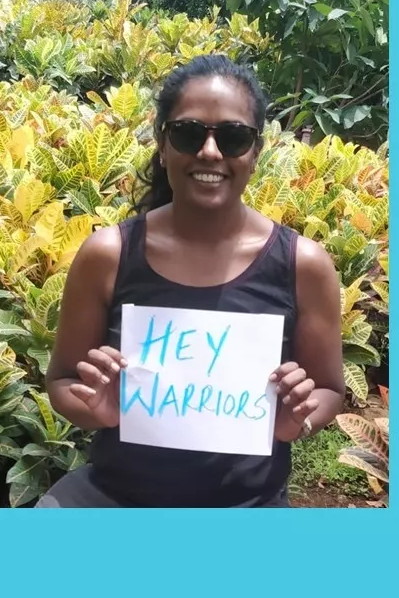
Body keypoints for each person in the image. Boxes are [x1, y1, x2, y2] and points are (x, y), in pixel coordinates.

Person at [40, 54, 347, 508]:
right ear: (163, 145)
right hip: (112, 499)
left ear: (255, 152)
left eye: (233, 137)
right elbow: (62, 380)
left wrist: (294, 420)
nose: (210, 152)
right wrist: (95, 410)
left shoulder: (303, 265)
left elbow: (329, 389)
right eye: (188, 133)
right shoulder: (108, 255)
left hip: (248, 507)